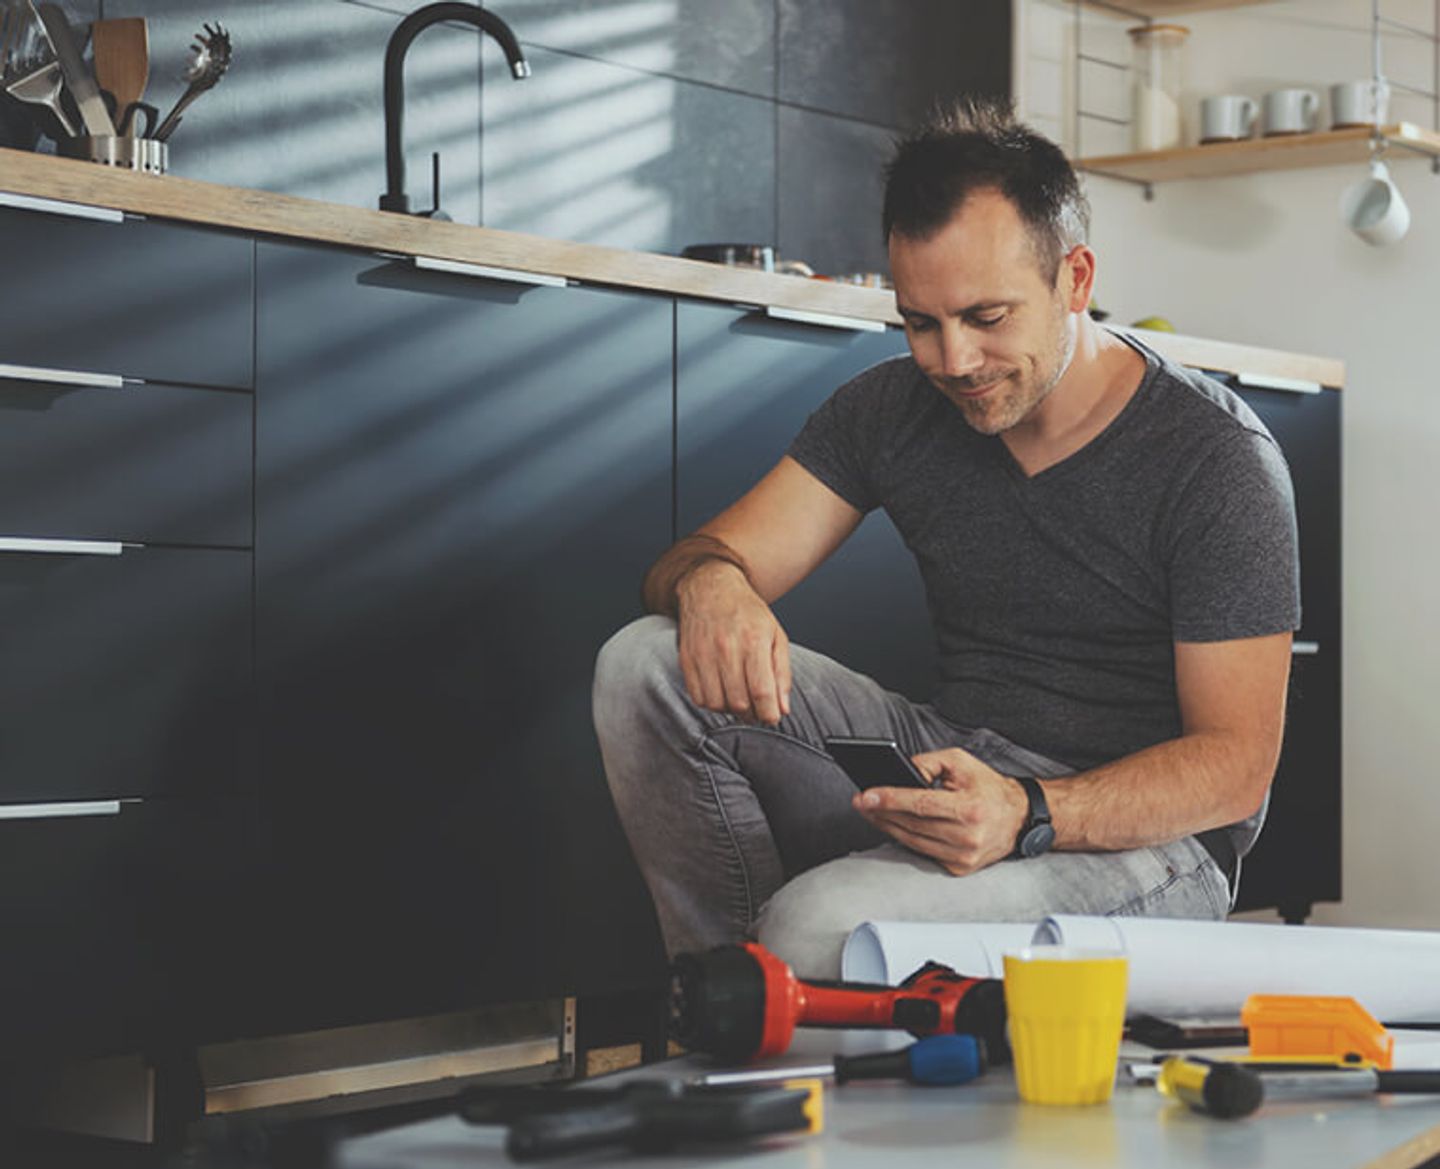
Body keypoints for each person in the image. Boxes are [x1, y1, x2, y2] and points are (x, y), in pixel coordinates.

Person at [592, 98, 1299, 978]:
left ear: (1074, 280)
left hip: (1152, 844)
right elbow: (700, 559)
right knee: (644, 663)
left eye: (987, 317)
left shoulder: (1215, 456)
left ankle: (774, 994)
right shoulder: (893, 407)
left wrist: (1029, 809)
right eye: (920, 321)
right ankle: (727, 1004)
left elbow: (1235, 767)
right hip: (958, 767)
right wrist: (715, 586)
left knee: (819, 928)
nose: (952, 361)